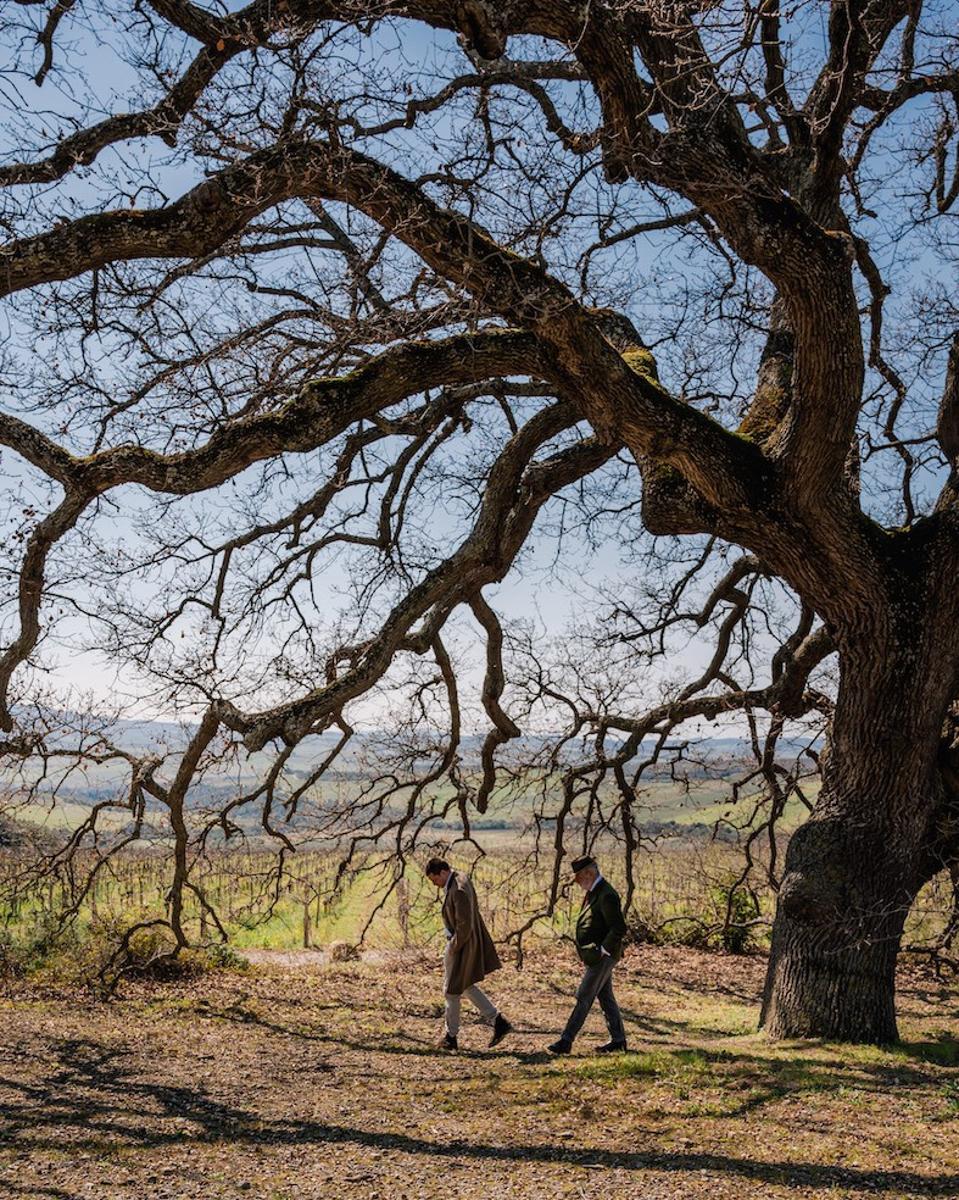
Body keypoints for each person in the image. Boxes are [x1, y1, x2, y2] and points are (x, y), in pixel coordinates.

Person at [424, 857, 512, 1051]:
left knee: (451, 990)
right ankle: (497, 1021)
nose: (435, 884)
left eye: (434, 879)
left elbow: (464, 926)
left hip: (462, 945)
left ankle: (451, 1037)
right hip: (462, 943)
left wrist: (453, 946)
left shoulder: (459, 889)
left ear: (443, 872)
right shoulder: (458, 880)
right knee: (463, 986)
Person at [548, 855, 628, 1055]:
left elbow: (619, 927)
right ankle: (618, 1040)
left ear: (589, 873)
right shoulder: (595, 891)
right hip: (596, 955)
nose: (576, 882)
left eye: (578, 877)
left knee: (584, 995)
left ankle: (566, 1041)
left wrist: (602, 951)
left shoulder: (607, 894)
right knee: (606, 996)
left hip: (603, 956)